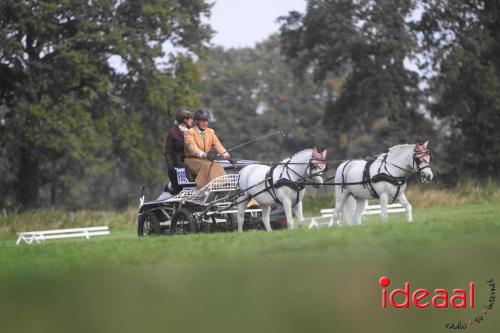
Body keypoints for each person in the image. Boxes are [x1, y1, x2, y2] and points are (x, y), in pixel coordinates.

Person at [184, 109, 231, 188]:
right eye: (202, 121)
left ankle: (223, 185)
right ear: (196, 121)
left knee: (216, 163)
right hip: (192, 160)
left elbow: (218, 145)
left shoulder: (210, 132)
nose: (205, 123)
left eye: (206, 120)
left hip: (205, 159)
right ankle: (202, 186)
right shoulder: (189, 132)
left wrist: (227, 156)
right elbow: (192, 147)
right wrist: (204, 154)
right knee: (207, 164)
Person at [165, 106, 193, 194]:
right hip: (178, 165)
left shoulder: (193, 132)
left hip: (192, 162)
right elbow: (168, 152)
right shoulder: (172, 133)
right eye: (190, 119)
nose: (192, 120)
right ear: (185, 120)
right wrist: (171, 166)